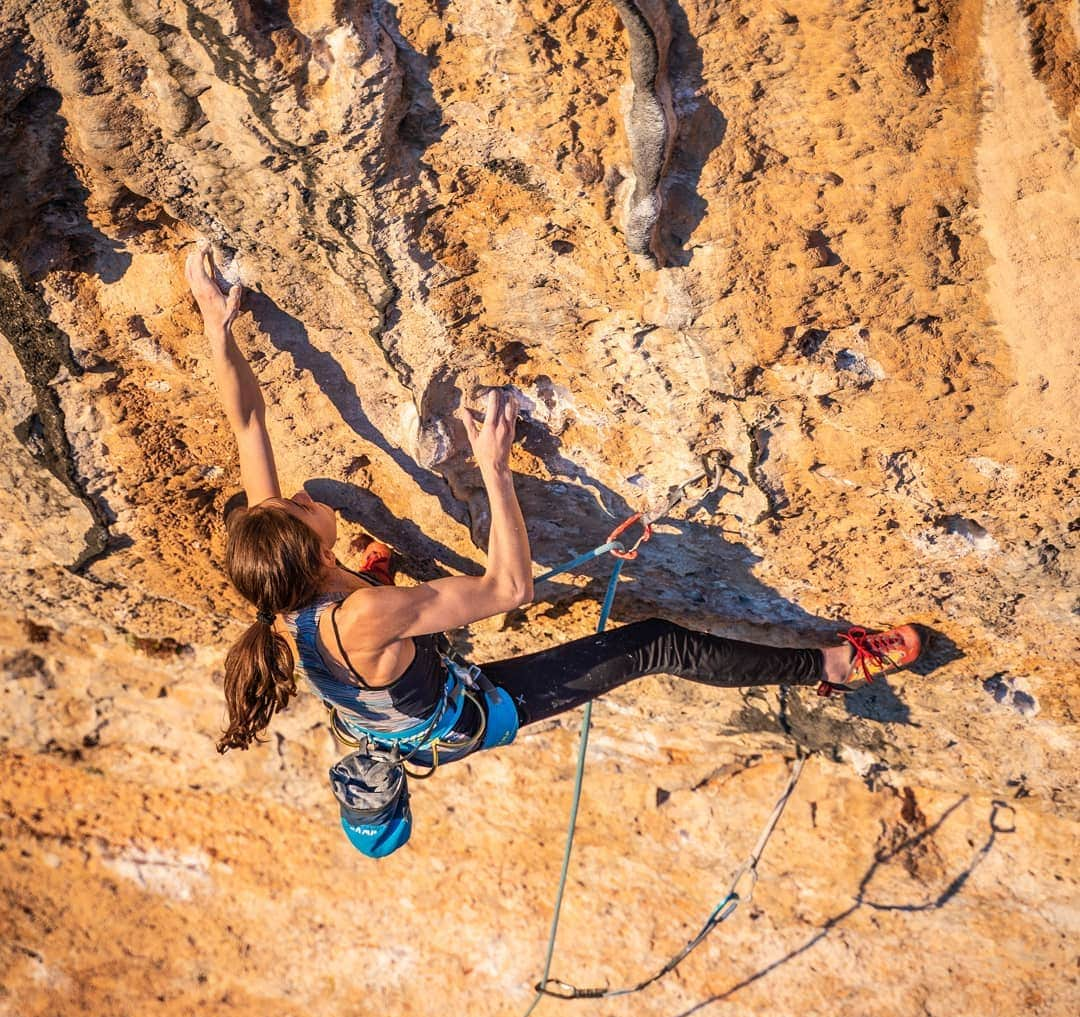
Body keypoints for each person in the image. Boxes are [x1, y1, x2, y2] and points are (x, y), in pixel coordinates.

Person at [184, 241, 922, 856]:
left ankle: (387, 588)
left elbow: (248, 427)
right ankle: (833, 662)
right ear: (311, 561)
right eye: (304, 510)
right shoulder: (367, 616)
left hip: (385, 686)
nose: (308, 496)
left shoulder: (274, 580)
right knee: (654, 644)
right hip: (473, 711)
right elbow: (510, 588)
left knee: (394, 591)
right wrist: (495, 469)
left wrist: (218, 329)